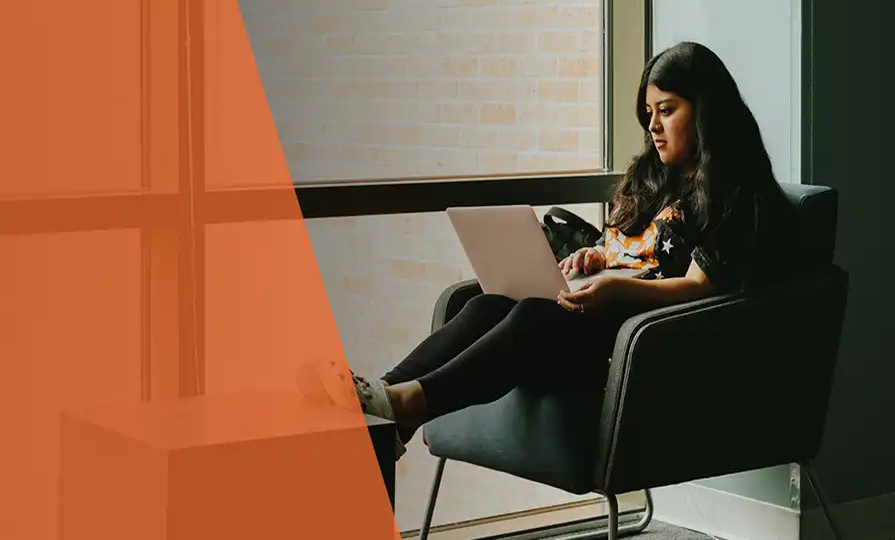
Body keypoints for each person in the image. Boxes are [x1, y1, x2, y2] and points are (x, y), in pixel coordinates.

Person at [297, 41, 802, 459]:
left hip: (642, 342)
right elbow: (628, 248)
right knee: (486, 305)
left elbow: (698, 287)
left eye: (667, 111)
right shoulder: (656, 180)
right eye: (649, 113)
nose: (653, 126)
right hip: (601, 314)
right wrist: (597, 259)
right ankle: (382, 403)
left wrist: (615, 290)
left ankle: (402, 407)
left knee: (531, 321)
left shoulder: (738, 196)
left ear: (708, 110)